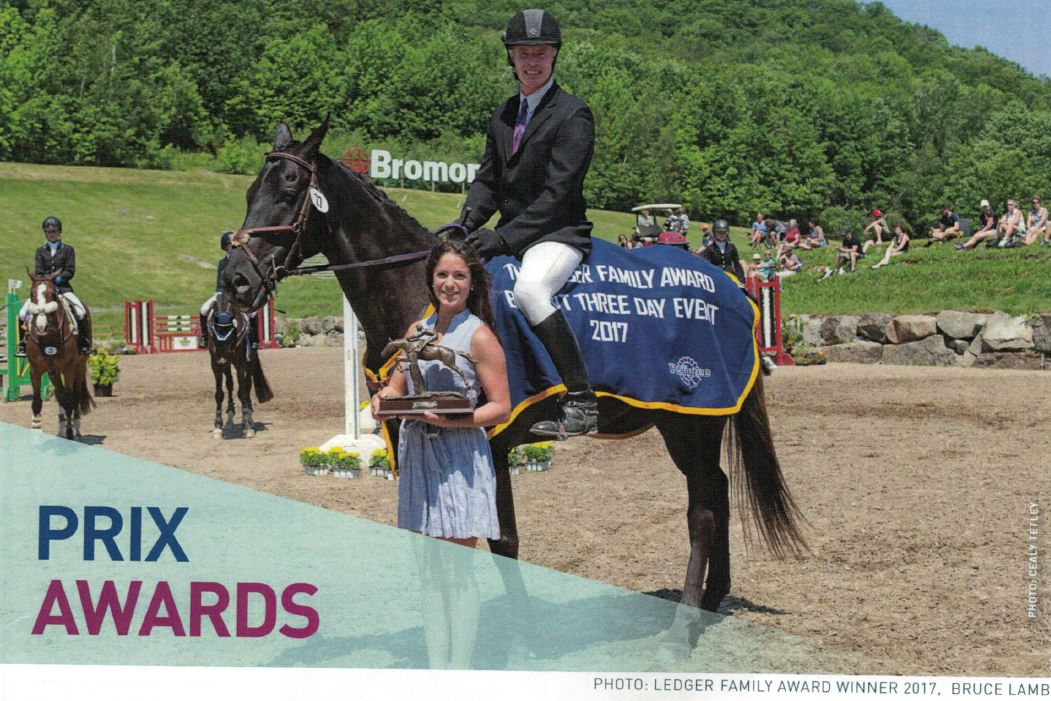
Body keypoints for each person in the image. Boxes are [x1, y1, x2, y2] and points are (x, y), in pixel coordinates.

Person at [371, 239, 510, 668]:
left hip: (459, 459)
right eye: (442, 275)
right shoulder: (417, 332)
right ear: (431, 281)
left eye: (459, 276)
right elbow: (397, 387)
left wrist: (451, 421)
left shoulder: (480, 335)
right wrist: (382, 400)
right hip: (419, 456)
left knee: (457, 571)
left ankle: (459, 672)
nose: (450, 284)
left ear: (471, 284)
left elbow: (500, 406)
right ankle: (437, 670)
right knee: (430, 573)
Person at [459, 8, 597, 438]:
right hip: (514, 233)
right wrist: (463, 226)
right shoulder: (504, 113)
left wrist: (501, 237)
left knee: (531, 290)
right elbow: (487, 181)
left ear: (554, 57)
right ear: (511, 58)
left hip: (558, 234)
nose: (531, 61)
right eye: (523, 53)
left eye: (540, 53)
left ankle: (580, 400)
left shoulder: (573, 114)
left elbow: (558, 196)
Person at [17, 216, 92, 355]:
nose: (52, 234)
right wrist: (46, 283)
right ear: (45, 233)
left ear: (59, 232)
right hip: (44, 291)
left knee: (80, 311)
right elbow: (39, 272)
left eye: (54, 231)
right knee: (22, 313)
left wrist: (57, 280)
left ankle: (84, 343)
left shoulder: (68, 250)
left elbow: (70, 270)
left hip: (63, 288)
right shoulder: (40, 251)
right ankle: (23, 345)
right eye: (49, 231)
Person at [199, 231, 260, 349]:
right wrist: (219, 293)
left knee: (253, 312)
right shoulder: (222, 263)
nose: (232, 248)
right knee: (204, 309)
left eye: (235, 246)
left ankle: (254, 339)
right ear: (225, 247)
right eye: (230, 246)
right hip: (222, 294)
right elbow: (220, 281)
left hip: (239, 294)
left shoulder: (243, 262)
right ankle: (205, 337)